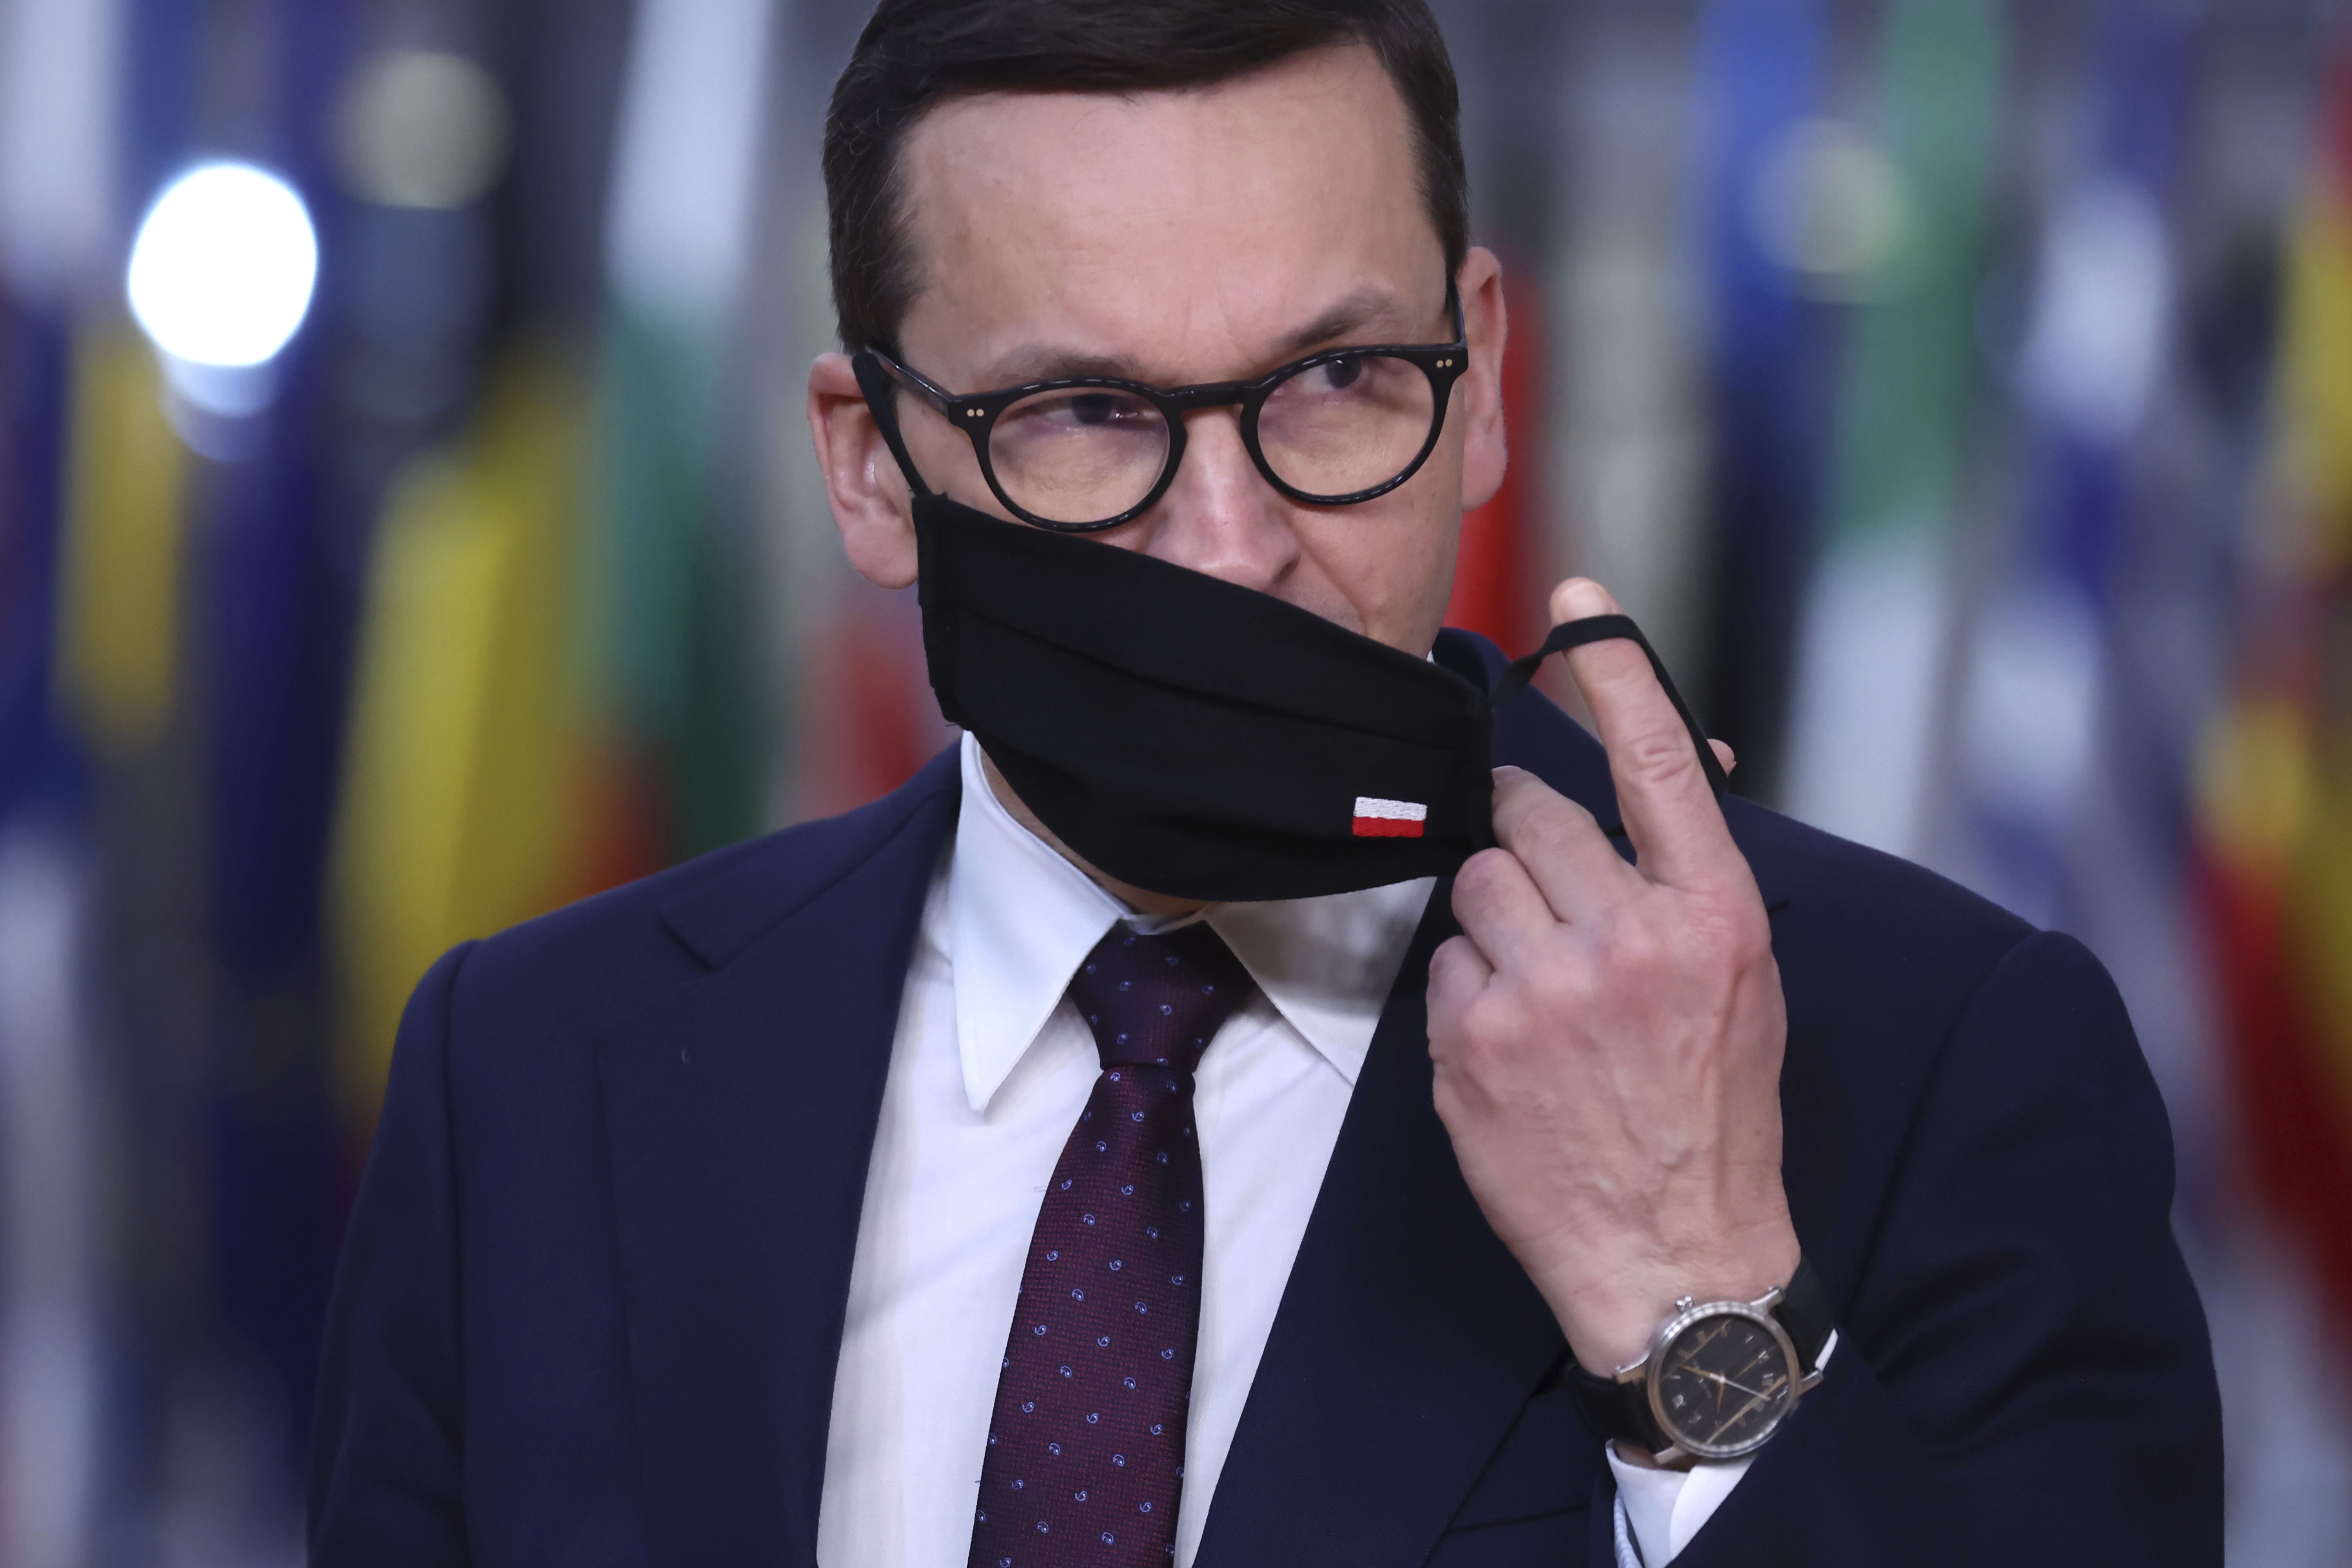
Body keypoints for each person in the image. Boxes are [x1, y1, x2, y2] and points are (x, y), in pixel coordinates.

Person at [307, 2, 2221, 1564]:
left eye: (1334, 382)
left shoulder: (1934, 1054)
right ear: (870, 467)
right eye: (1081, 413)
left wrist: (1688, 1291)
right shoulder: (533, 1071)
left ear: (1481, 377)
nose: (1231, 543)